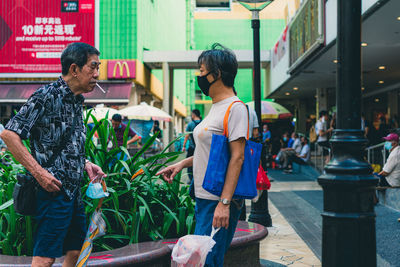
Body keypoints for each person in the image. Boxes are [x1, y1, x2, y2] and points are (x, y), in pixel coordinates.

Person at [0, 43, 105, 267]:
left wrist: (85, 163)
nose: (97, 74)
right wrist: (40, 174)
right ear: (75, 69)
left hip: (73, 193)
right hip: (52, 191)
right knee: (45, 258)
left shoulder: (78, 101)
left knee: (75, 251)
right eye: (93, 67)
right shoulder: (46, 96)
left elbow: (64, 142)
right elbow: (9, 135)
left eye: (98, 67)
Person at [157, 43, 247, 267]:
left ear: (216, 74)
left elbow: (237, 157)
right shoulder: (215, 107)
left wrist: (224, 203)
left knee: (208, 261)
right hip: (203, 197)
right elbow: (210, 152)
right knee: (203, 260)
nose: (199, 76)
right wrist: (181, 164)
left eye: (202, 71)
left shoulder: (235, 108)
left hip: (218, 199)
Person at [182, 109, 202, 181]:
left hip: (192, 148)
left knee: (189, 165)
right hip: (201, 148)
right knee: (200, 163)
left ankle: (191, 179)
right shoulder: (203, 123)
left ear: (193, 114)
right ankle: (199, 178)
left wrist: (183, 146)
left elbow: (186, 136)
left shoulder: (190, 124)